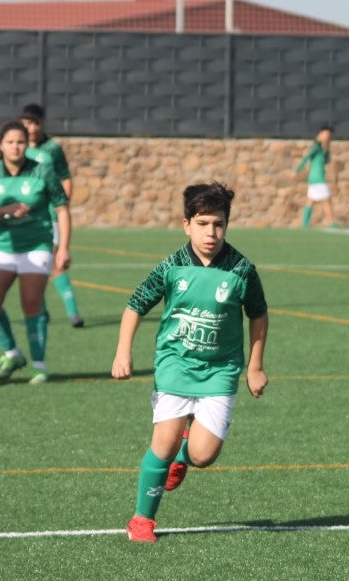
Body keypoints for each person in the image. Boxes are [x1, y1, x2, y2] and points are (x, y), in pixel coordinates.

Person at [112, 181, 269, 543]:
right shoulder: (171, 267)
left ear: (227, 225)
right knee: (162, 446)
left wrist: (255, 366)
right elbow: (135, 305)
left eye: (218, 224)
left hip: (220, 370)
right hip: (175, 365)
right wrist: (123, 352)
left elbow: (258, 315)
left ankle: (186, 450)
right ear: (186, 225)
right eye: (202, 224)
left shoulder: (241, 270)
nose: (211, 233)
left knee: (203, 455)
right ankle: (142, 520)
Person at [0, 120, 71, 385]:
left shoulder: (42, 173)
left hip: (37, 244)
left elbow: (62, 209)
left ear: (26, 144)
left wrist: (62, 247)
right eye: (10, 142)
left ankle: (39, 365)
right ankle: (12, 353)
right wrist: (4, 211)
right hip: (3, 244)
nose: (16, 147)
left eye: (20, 142)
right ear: (1, 145)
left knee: (31, 303)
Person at [21, 103, 84, 328]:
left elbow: (65, 176)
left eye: (35, 123)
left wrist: (63, 202)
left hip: (50, 215)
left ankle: (73, 313)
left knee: (55, 262)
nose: (32, 128)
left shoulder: (52, 148)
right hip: (26, 217)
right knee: (32, 266)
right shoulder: (18, 149)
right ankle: (41, 313)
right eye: (27, 123)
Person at [293, 125, 335, 228]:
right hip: (318, 178)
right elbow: (306, 157)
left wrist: (327, 149)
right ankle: (332, 223)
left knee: (310, 201)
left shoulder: (322, 148)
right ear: (320, 134)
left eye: (329, 135)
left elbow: (326, 160)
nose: (327, 137)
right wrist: (296, 171)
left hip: (313, 178)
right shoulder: (316, 147)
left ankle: (305, 224)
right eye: (325, 134)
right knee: (326, 201)